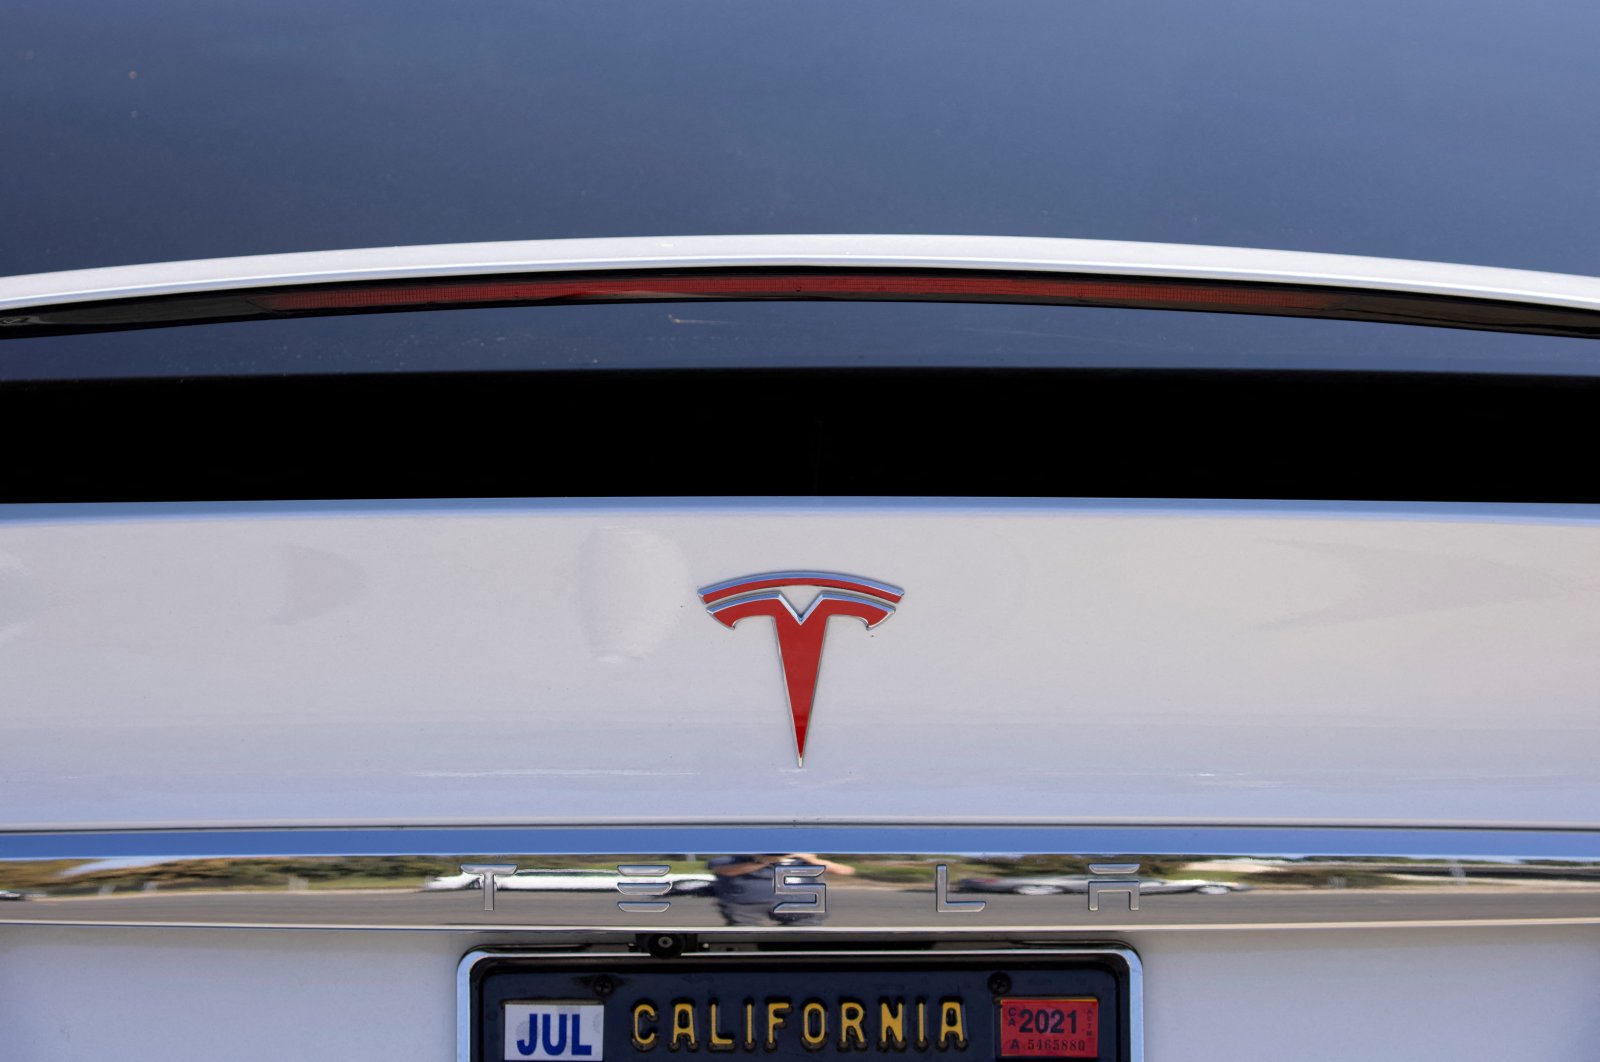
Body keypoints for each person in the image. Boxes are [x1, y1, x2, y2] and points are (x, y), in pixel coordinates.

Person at [706, 853, 855, 926]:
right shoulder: (738, 857)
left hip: (797, 907)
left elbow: (845, 870)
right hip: (748, 905)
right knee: (745, 934)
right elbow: (724, 870)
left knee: (804, 932)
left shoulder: (800, 860)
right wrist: (762, 861)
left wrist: (810, 859)